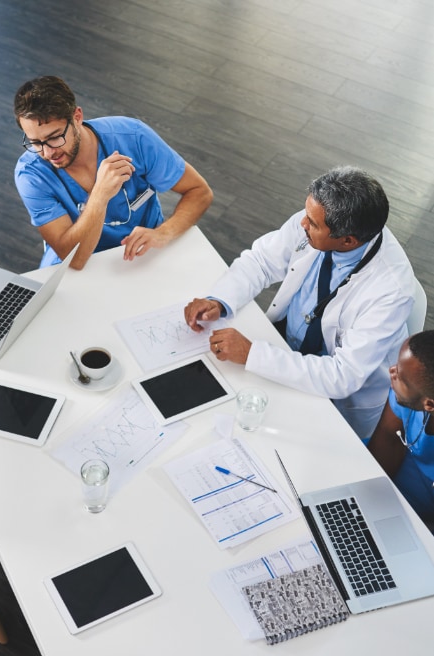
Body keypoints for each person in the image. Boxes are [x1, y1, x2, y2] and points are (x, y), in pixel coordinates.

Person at [184, 166, 415, 438]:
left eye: (313, 224)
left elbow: (343, 376)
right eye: (306, 215)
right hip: (285, 346)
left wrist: (252, 354)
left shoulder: (391, 291)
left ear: (347, 241)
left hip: (333, 392)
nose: (302, 224)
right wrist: (220, 300)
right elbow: (261, 261)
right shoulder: (315, 219)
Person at [13, 75, 213, 270]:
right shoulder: (31, 175)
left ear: (77, 117)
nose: (47, 153)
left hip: (142, 252)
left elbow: (199, 191)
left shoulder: (133, 137)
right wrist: (100, 195)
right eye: (35, 143)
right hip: (77, 262)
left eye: (55, 137)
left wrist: (164, 233)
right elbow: (75, 260)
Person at [368, 331, 434, 532]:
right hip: (398, 467)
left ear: (429, 404)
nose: (392, 372)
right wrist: (368, 496)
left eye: (401, 377)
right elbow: (388, 435)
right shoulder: (408, 396)